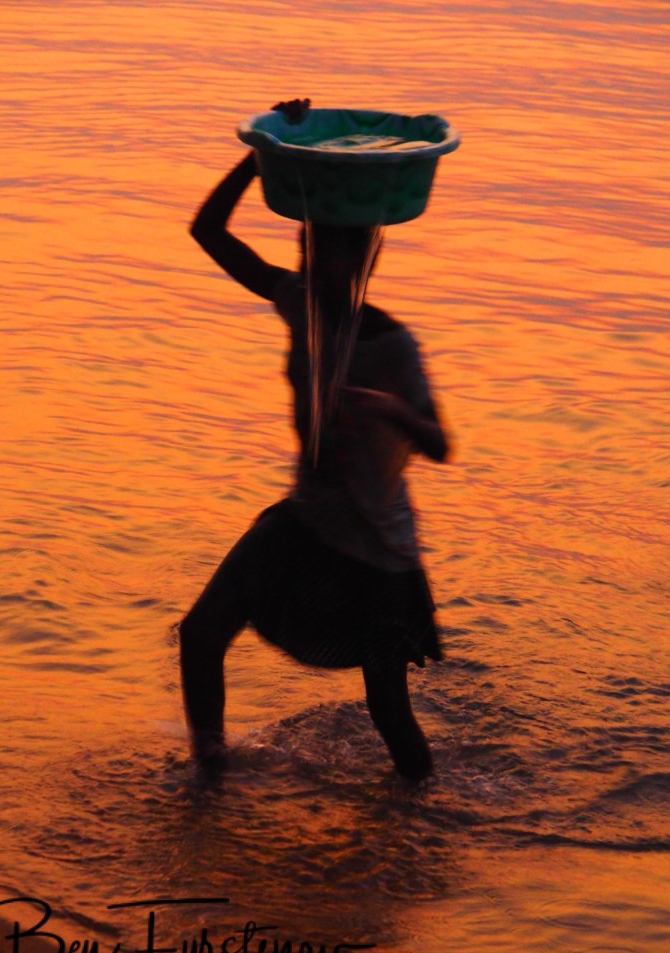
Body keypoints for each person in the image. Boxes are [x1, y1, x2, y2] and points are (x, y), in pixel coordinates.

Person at [180, 98, 450, 781]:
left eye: (326, 253)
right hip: (307, 517)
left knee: (389, 707)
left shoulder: (391, 345)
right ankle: (208, 773)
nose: (311, 263)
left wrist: (387, 405)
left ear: (359, 258)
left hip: (375, 543)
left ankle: (425, 827)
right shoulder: (296, 302)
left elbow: (441, 444)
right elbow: (208, 231)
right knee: (201, 633)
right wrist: (262, 156)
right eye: (306, 247)